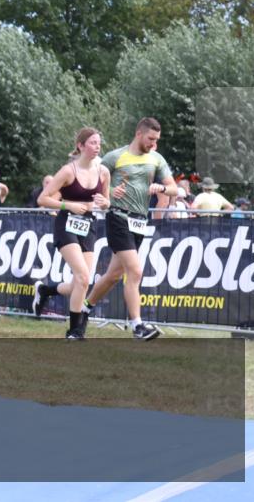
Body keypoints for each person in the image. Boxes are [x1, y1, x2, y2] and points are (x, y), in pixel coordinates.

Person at [81, 117, 176, 340]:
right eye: (151, 139)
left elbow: (174, 189)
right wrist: (110, 191)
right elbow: (91, 181)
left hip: (139, 222)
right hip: (118, 217)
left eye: (157, 139)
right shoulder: (115, 156)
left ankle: (84, 309)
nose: (154, 143)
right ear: (139, 134)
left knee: (113, 275)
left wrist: (161, 186)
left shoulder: (156, 158)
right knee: (135, 271)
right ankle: (137, 326)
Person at [31, 128, 111, 339]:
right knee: (83, 276)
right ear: (81, 146)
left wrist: (104, 203)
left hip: (88, 226)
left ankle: (46, 291)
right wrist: (69, 205)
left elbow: (106, 202)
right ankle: (74, 331)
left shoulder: (103, 172)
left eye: (99, 143)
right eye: (93, 143)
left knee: (81, 282)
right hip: (66, 224)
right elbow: (43, 199)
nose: (97, 147)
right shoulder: (68, 171)